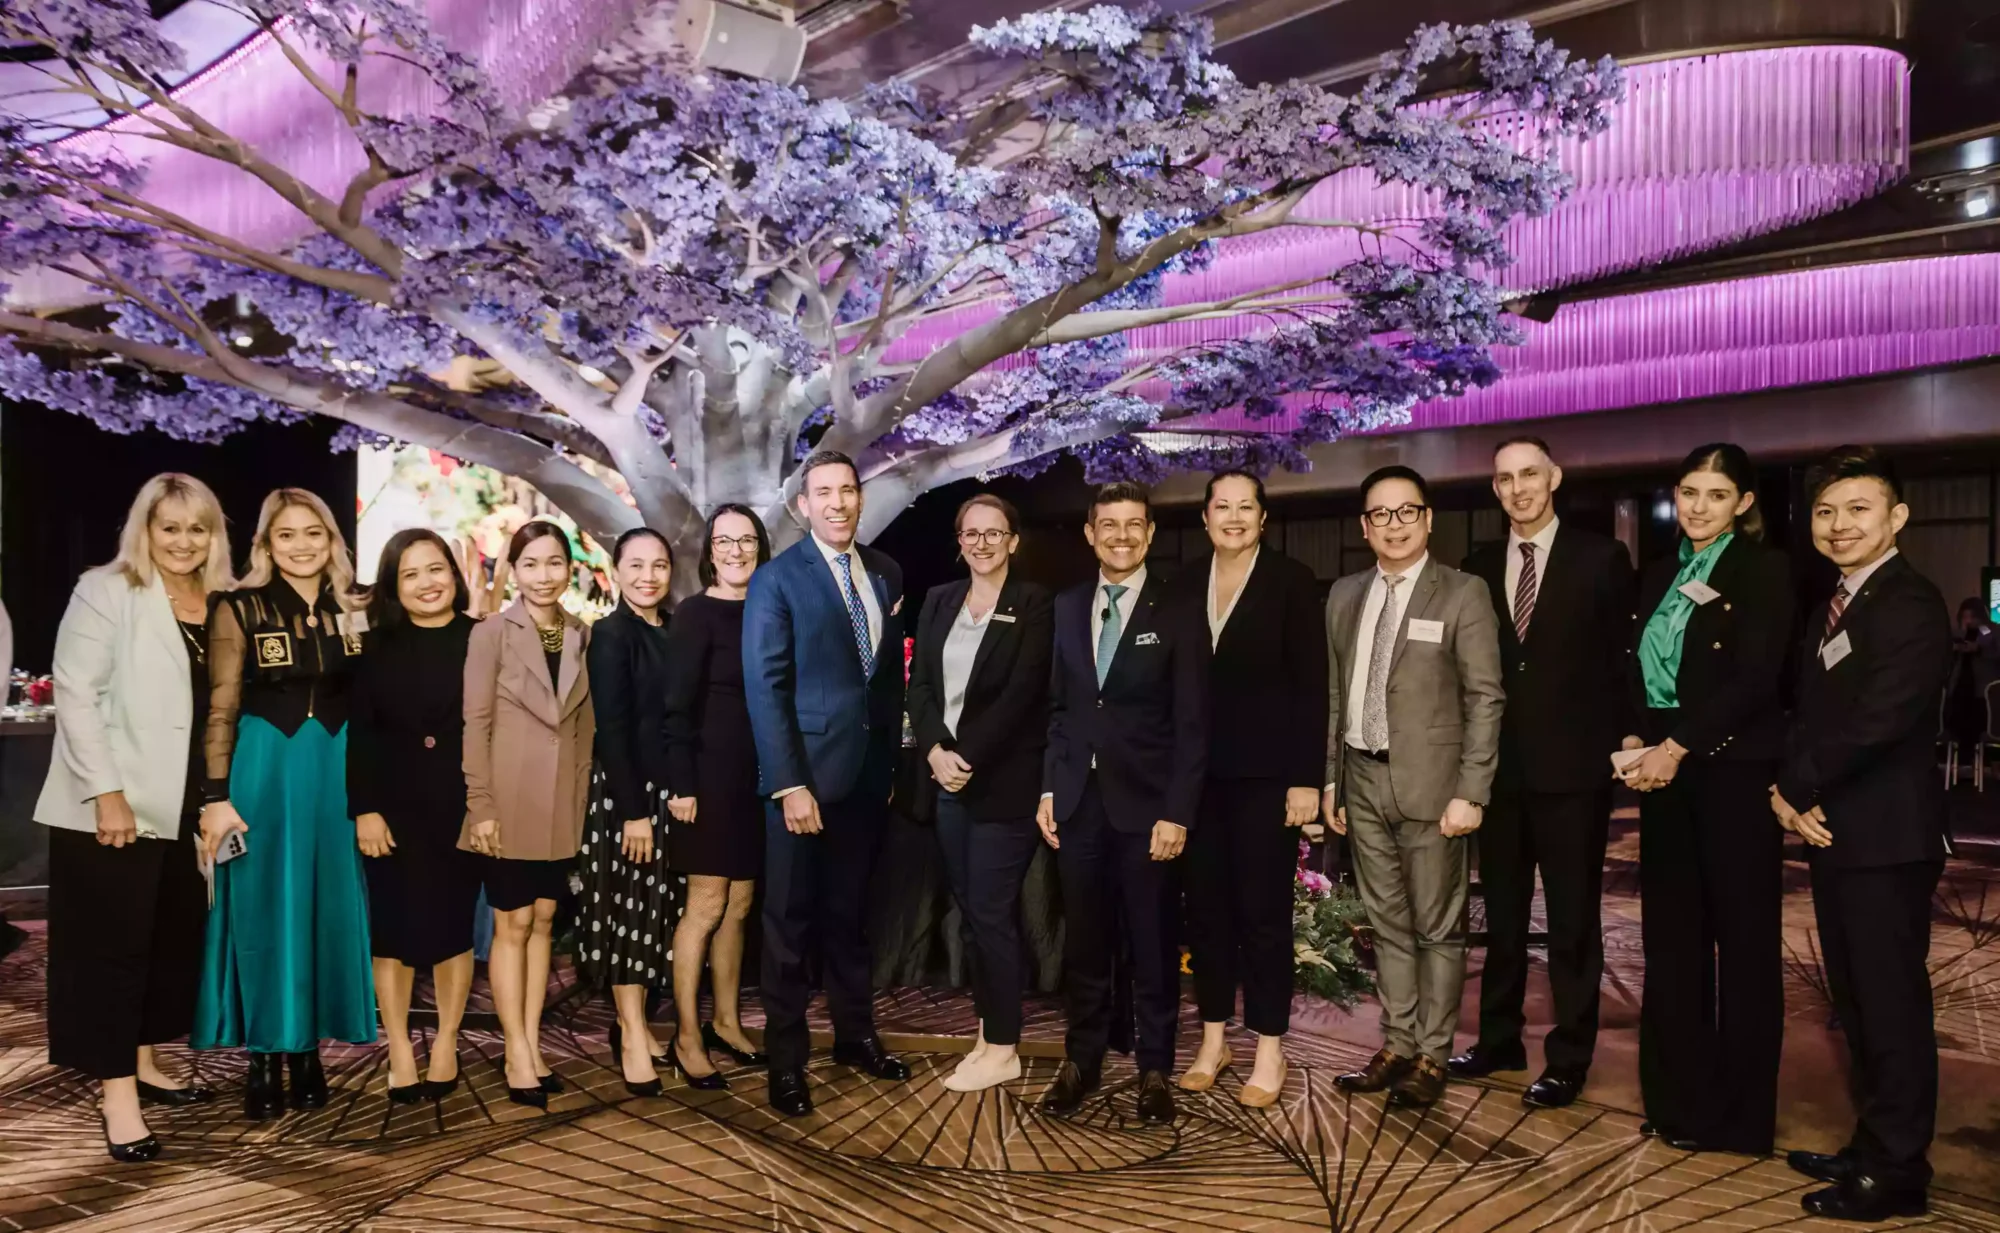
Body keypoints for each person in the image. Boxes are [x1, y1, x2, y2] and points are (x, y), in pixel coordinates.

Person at [1772, 447, 1950, 1221]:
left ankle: (1899, 1172)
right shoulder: (1833, 604)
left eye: (1858, 509)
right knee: (1855, 1000)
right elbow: (1811, 713)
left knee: (1891, 1005)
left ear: (1896, 517)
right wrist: (1793, 794)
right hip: (1838, 832)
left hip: (1887, 836)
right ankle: (1874, 1142)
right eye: (1826, 511)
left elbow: (1881, 719)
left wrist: (1792, 787)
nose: (1840, 525)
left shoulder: (1910, 601)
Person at [38, 475, 232, 1160]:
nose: (183, 541)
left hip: (187, 803)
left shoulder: (224, 601)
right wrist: (107, 791)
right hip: (113, 805)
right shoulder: (106, 588)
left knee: (171, 941)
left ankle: (145, 1060)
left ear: (215, 534)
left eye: (197, 527)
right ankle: (116, 1092)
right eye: (169, 526)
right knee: (111, 950)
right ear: (143, 529)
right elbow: (77, 693)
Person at [1619, 443, 1794, 1155]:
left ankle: (1740, 1118)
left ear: (1743, 502)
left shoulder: (1766, 570)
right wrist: (1637, 738)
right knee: (1673, 943)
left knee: (1745, 948)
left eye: (1716, 494)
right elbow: (1635, 665)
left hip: (1730, 772)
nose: (1697, 506)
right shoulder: (1661, 571)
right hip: (1663, 774)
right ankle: (1677, 1101)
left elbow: (1755, 679)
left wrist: (1678, 745)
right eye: (1688, 491)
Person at [1450, 438, 1634, 1108]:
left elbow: (1621, 662)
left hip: (1574, 772)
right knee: (1499, 917)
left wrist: (1628, 736)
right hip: (1497, 774)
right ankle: (1498, 1037)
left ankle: (1569, 1055)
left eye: (1530, 473)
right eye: (1505, 478)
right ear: (1495, 489)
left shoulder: (1601, 558)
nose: (1519, 487)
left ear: (1554, 477)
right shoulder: (1473, 567)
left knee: (1572, 921)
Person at [1322, 465, 1503, 1110]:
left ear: (1428, 519)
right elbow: (1338, 696)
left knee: (1437, 929)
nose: (1393, 525)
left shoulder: (1462, 593)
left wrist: (1472, 791)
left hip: (1434, 788)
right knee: (1386, 925)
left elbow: (1485, 698)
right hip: (1362, 778)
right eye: (1380, 515)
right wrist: (1331, 784)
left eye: (1406, 512)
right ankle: (1397, 1043)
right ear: (1364, 526)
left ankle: (1432, 1053)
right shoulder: (1344, 594)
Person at [193, 488, 376, 1119]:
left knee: (326, 905)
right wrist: (215, 797)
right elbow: (220, 707)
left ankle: (309, 1052)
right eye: (287, 535)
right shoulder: (237, 608)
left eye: (314, 534)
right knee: (265, 907)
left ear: (332, 542)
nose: (301, 546)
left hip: (336, 770)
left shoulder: (356, 608)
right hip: (263, 768)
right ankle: (266, 1055)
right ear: (266, 545)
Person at [743, 451, 910, 1118]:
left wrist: (890, 767)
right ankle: (786, 1063)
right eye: (824, 493)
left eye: (848, 490)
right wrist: (789, 784)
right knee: (789, 927)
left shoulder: (887, 571)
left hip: (867, 780)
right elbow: (767, 688)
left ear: (860, 498)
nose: (838, 502)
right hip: (804, 784)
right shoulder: (776, 580)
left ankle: (854, 1035)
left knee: (851, 920)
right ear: (802, 505)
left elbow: (886, 679)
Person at [1038, 482, 1208, 1126]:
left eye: (1134, 525)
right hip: (1078, 805)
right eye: (1109, 526)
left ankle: (1155, 1070)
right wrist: (1052, 787)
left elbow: (1194, 724)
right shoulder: (1067, 605)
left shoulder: (1179, 607)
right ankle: (1081, 1061)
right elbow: (1062, 711)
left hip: (1150, 813)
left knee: (1154, 944)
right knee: (1083, 944)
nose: (1122, 536)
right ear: (1089, 533)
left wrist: (1178, 812)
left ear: (1151, 534)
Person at [1173, 471, 1327, 1107]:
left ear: (1264, 519)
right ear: (1205, 518)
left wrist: (1305, 781)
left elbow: (1311, 685)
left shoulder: (1290, 582)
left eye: (1246, 507)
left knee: (1264, 917)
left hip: (1268, 780)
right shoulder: (1181, 584)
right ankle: (1213, 1039)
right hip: (1195, 782)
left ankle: (1269, 1045)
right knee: (1206, 914)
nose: (1233, 517)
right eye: (1222, 507)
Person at [906, 493, 1054, 1093]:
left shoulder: (1035, 602)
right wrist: (938, 751)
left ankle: (1004, 1045)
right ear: (960, 541)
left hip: (1003, 783)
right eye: (972, 533)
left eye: (996, 533)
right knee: (971, 915)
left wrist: (967, 757)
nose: (983, 543)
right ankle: (988, 1029)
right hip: (947, 782)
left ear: (1013, 541)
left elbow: (1025, 695)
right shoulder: (939, 600)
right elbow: (919, 687)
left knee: (993, 914)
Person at [461, 520, 594, 1109]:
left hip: (561, 806)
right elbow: (476, 724)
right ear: (513, 571)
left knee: (543, 923)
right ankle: (515, 1049)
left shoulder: (580, 634)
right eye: (532, 564)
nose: (544, 576)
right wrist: (480, 805)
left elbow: (584, 730)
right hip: (507, 804)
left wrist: (583, 807)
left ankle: (533, 1042)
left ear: (570, 569)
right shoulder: (491, 632)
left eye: (554, 563)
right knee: (511, 927)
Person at [348, 529, 481, 1103]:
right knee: (393, 933)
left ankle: (447, 1041)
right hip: (393, 809)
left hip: (462, 807)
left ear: (455, 575)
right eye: (411, 574)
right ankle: (400, 1048)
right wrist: (365, 810)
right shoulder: (374, 646)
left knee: (453, 929)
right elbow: (361, 735)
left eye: (437, 570)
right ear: (393, 587)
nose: (427, 583)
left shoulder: (484, 639)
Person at [663, 505, 772, 1086]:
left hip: (757, 784)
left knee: (740, 906)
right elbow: (675, 709)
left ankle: (727, 1022)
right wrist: (681, 784)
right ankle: (685, 1034)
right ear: (709, 549)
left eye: (747, 540)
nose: (736, 550)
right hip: (704, 784)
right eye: (724, 541)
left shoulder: (769, 609)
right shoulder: (694, 614)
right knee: (705, 908)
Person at [575, 527, 675, 1097]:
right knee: (629, 918)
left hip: (668, 794)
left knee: (658, 916)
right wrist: (634, 811)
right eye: (636, 565)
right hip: (626, 797)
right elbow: (612, 729)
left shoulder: (674, 629)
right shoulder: (612, 635)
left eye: (659, 565)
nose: (648, 576)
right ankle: (633, 1031)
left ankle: (633, 1020)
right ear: (615, 570)